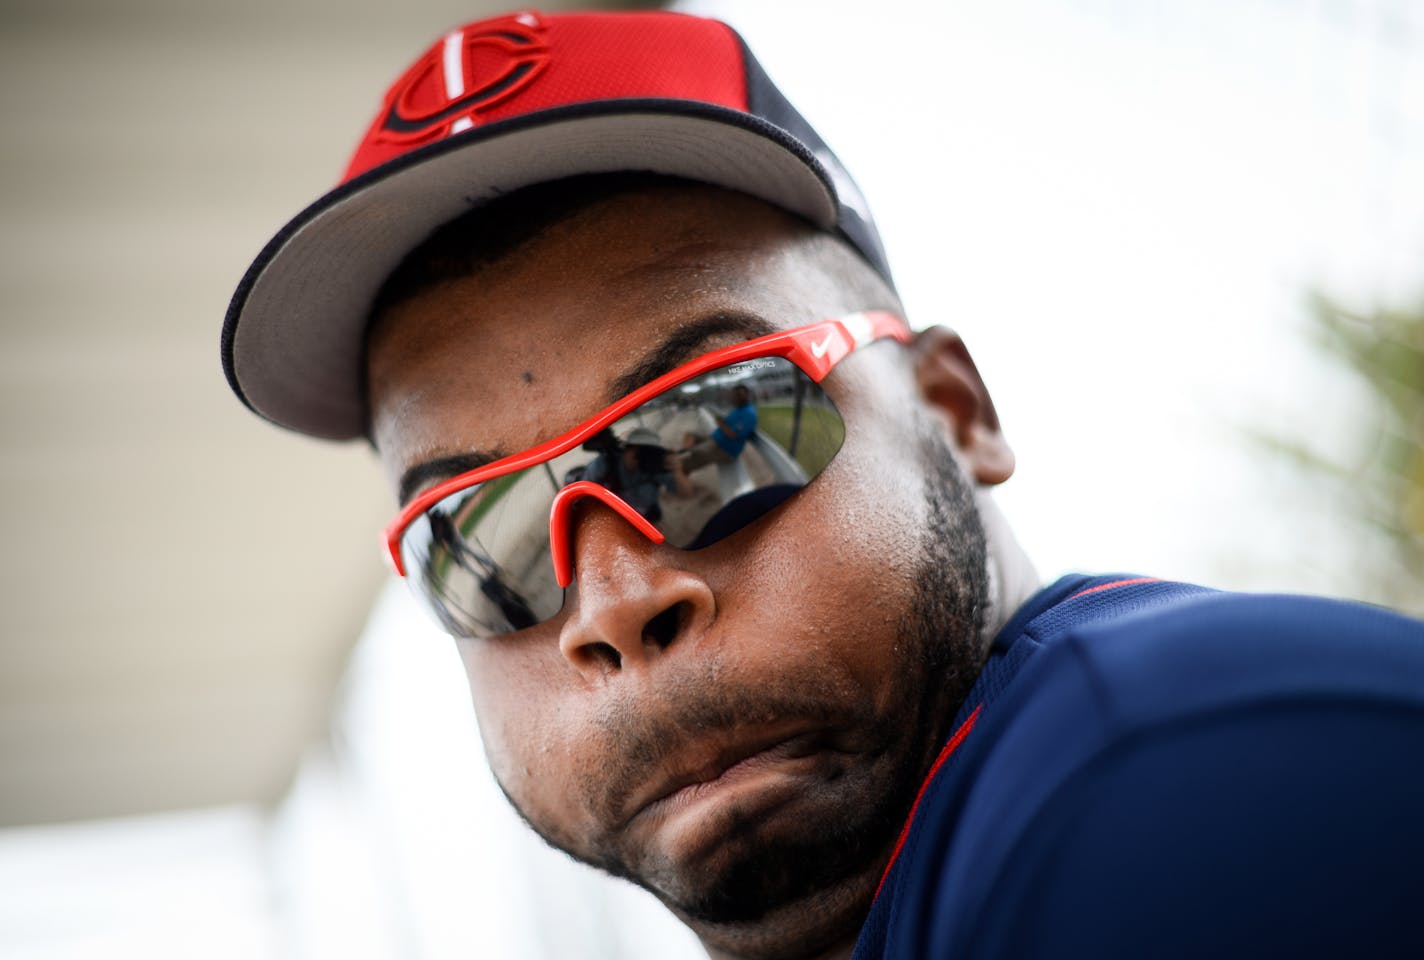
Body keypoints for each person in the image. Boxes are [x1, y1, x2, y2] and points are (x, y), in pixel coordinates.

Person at [221, 11, 1424, 959]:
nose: (612, 604)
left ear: (952, 411)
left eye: (710, 429)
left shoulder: (1188, 782)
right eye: (477, 537)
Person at [584, 426, 695, 524]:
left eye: (648, 452)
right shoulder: (604, 464)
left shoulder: (654, 467)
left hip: (647, 517)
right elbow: (584, 495)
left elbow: (687, 492)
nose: (643, 457)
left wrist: (676, 470)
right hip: (616, 520)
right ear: (626, 449)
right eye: (639, 451)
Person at [681, 384, 758, 473]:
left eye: (739, 395)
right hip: (715, 440)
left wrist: (721, 423)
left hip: (725, 449)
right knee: (690, 434)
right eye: (734, 395)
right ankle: (684, 452)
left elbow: (733, 435)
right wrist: (722, 422)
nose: (736, 398)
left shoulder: (749, 413)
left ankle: (683, 464)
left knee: (696, 453)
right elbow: (728, 424)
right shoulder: (739, 409)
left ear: (747, 395)